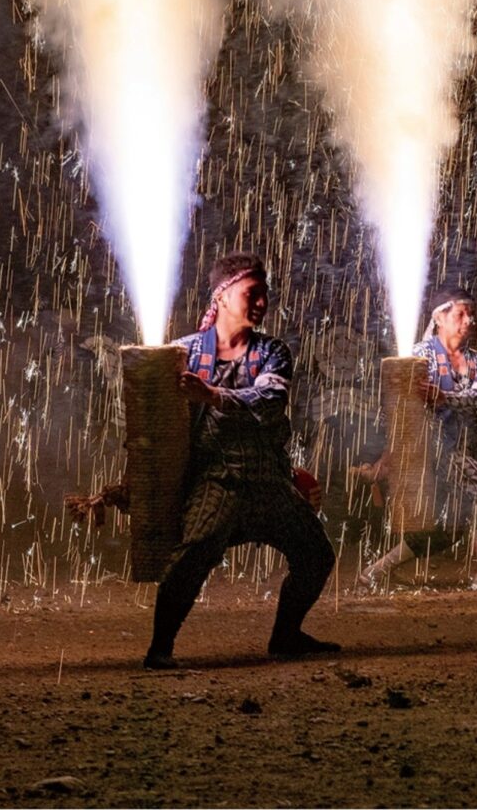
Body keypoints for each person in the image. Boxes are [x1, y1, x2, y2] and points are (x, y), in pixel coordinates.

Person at [144, 252, 339, 669]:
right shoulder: (182, 353)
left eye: (265, 294)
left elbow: (270, 401)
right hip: (219, 480)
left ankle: (285, 637)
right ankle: (159, 649)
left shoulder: (273, 352)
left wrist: (213, 395)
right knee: (193, 554)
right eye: (253, 293)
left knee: (316, 555)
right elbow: (152, 421)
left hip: (268, 480)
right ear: (222, 296)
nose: (262, 302)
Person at [359, 286, 477, 590]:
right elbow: (402, 410)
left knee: (448, 527)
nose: (469, 320)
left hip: (468, 451)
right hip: (435, 450)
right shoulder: (419, 356)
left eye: (471, 313)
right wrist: (392, 456)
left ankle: (373, 571)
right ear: (438, 318)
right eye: (460, 313)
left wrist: (444, 397)